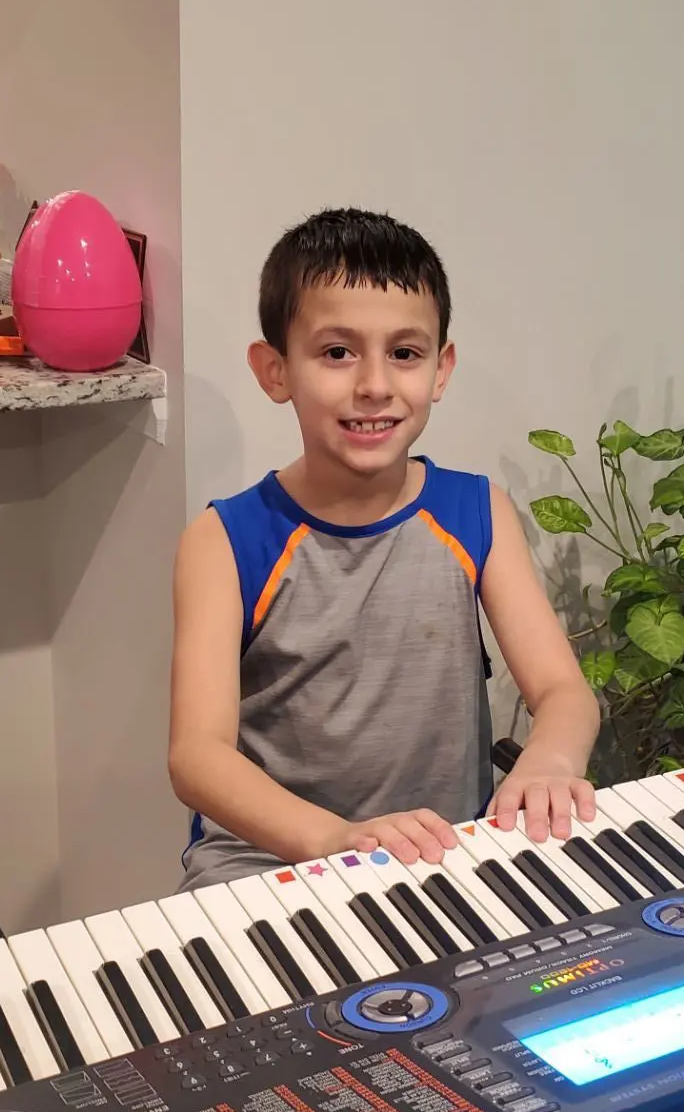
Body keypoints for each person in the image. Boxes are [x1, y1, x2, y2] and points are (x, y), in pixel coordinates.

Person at [169, 206, 600, 893]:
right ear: (276, 371)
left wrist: (550, 760)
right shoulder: (223, 541)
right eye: (337, 353)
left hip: (439, 857)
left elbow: (563, 691)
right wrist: (333, 840)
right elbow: (197, 755)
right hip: (273, 865)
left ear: (440, 369)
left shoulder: (476, 511)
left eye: (404, 353)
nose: (374, 385)